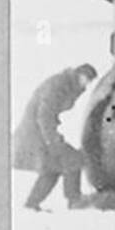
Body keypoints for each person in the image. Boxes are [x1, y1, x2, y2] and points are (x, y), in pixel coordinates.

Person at [13, 63, 97, 211]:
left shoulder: (67, 85)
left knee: (51, 168)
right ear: (78, 75)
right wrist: (53, 141)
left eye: (89, 81)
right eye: (86, 79)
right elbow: (44, 115)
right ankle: (74, 200)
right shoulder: (58, 85)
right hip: (37, 133)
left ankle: (31, 204)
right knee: (73, 160)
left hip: (39, 132)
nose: (86, 84)